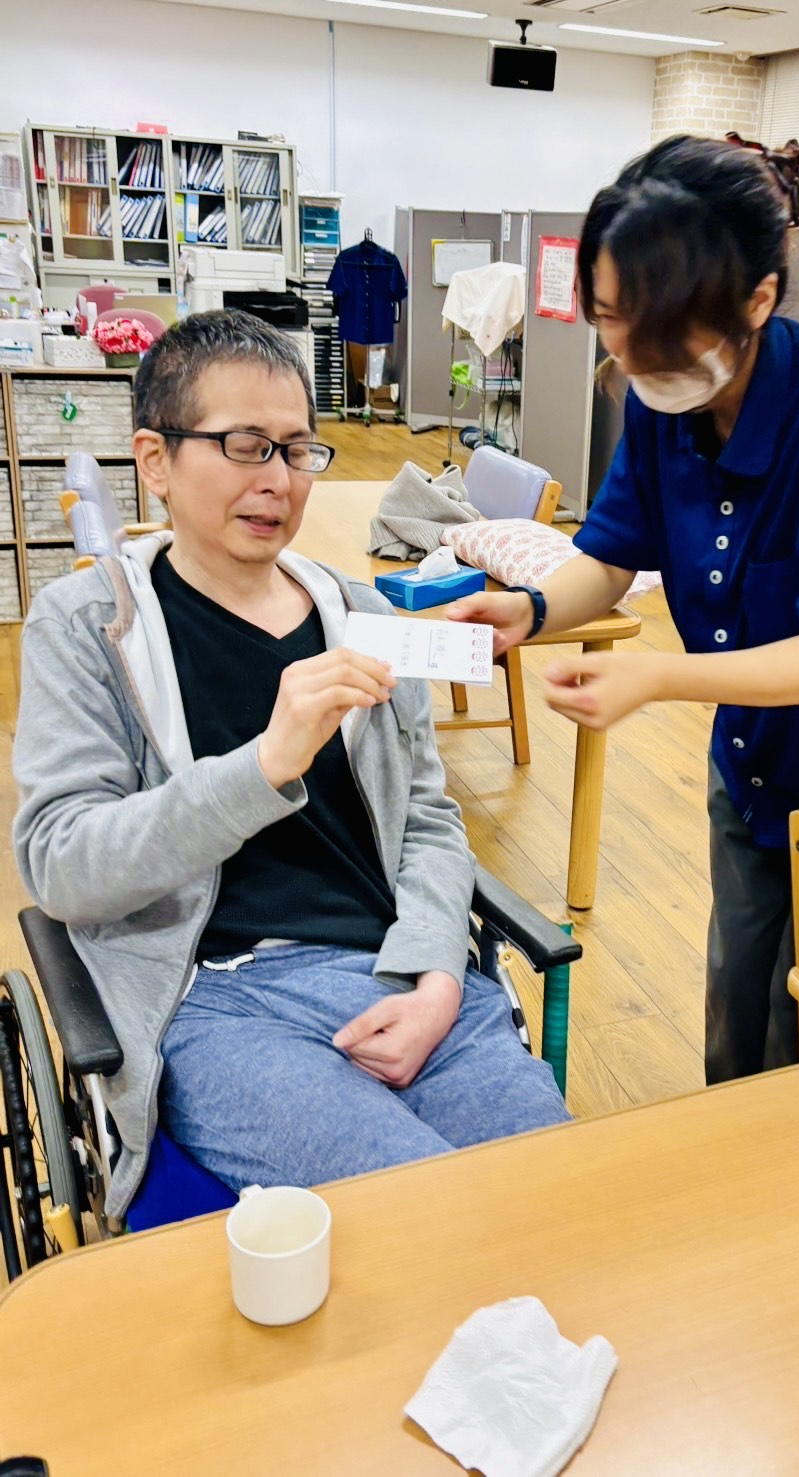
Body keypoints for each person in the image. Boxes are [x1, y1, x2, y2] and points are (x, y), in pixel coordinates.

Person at [450, 137, 799, 1083]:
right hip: (755, 766)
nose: (630, 355)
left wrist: (657, 676)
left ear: (759, 299)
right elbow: (609, 560)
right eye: (612, 320)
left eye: (662, 329)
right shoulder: (663, 399)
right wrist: (528, 612)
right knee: (738, 1021)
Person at [12, 309, 568, 1222]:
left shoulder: (358, 614)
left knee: (563, 1190)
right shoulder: (87, 629)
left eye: (297, 449)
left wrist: (436, 975)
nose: (278, 478)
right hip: (218, 1000)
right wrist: (265, 763)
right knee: (427, 1213)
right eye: (244, 445)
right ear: (155, 460)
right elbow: (62, 863)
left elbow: (429, 818)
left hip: (397, 967)